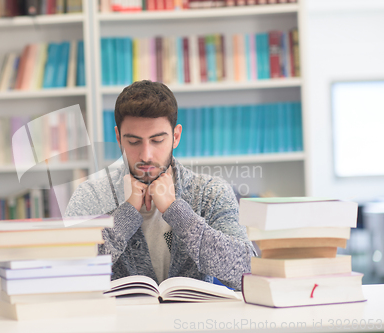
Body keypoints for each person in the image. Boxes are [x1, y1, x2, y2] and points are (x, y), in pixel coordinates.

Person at [65, 80, 256, 290]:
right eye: (134, 142)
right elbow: (69, 273)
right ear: (119, 138)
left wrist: (178, 213)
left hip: (192, 321)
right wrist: (125, 215)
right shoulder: (91, 195)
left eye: (157, 140)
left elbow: (247, 271)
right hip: (118, 323)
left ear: (175, 137)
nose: (146, 155)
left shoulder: (211, 193)